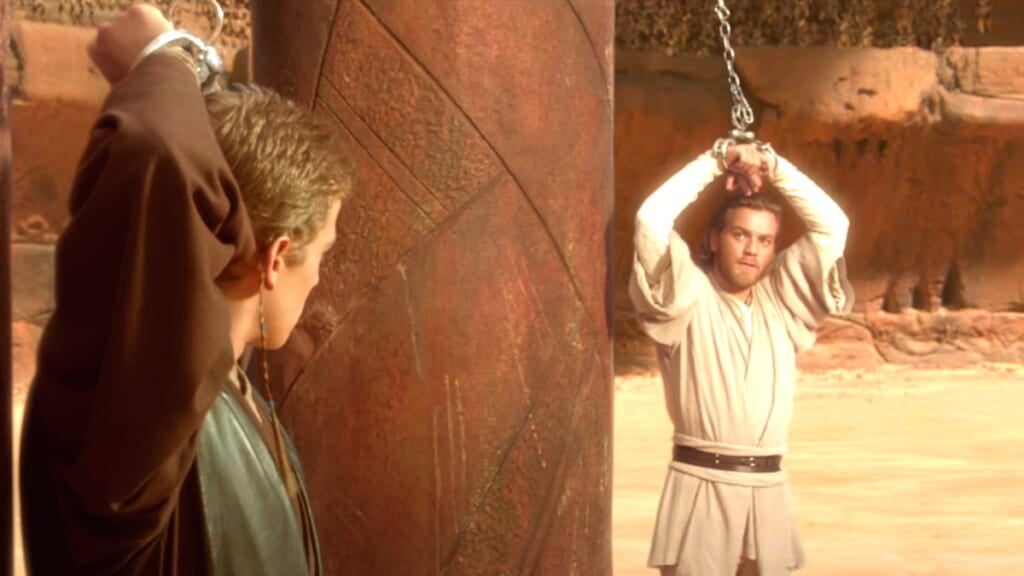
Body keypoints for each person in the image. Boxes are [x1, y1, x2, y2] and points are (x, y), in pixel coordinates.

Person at [19, 4, 352, 575]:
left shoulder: (218, 382)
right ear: (275, 258)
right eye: (323, 251)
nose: (320, 278)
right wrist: (169, 55)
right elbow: (157, 153)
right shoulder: (145, 414)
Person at [629, 140, 855, 576]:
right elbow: (651, 221)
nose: (752, 249)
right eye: (740, 235)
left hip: (769, 490)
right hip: (701, 487)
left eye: (765, 240)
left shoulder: (784, 300)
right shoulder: (685, 295)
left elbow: (833, 227)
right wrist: (716, 160)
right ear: (715, 240)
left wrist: (773, 166)